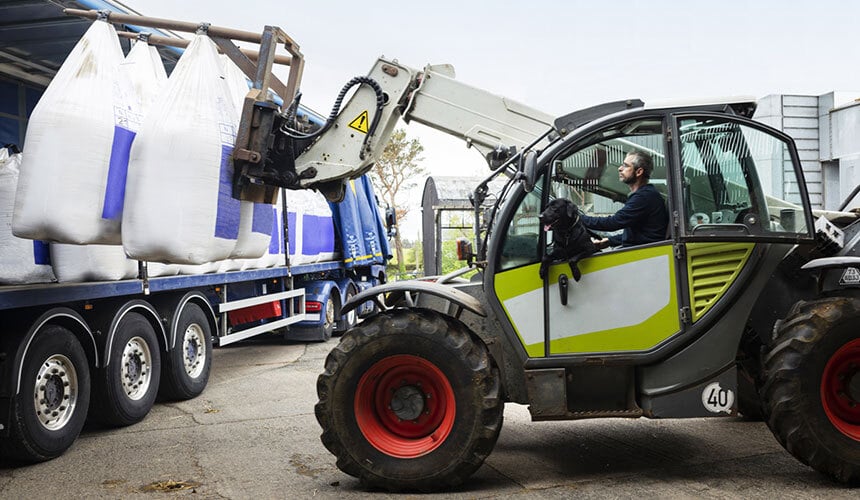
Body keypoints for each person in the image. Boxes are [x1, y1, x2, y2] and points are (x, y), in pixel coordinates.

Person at [581, 150, 669, 249]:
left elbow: (614, 222)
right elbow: (637, 234)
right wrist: (610, 241)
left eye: (626, 166)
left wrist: (578, 218)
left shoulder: (643, 197)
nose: (620, 168)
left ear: (639, 172)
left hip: (645, 254)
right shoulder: (645, 194)